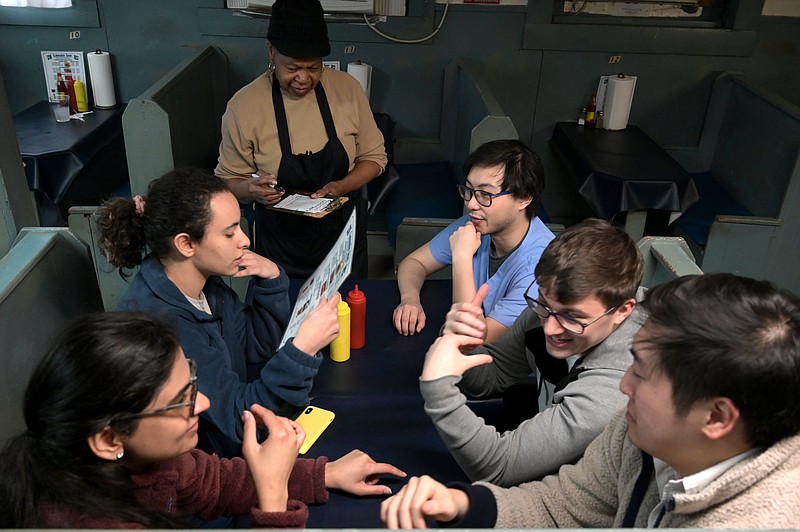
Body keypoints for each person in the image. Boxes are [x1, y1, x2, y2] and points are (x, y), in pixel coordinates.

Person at [380, 273, 800, 529]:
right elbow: (563, 506)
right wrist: (464, 504)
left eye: (642, 374)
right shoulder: (638, 433)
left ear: (716, 416)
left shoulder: (757, 520)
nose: (623, 386)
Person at [0, 312, 405, 528]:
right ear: (109, 439)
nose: (204, 403)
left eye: (192, 381)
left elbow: (211, 484)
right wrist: (273, 500)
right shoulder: (90, 522)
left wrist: (322, 474)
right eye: (180, 402)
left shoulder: (149, 459)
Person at [96, 167, 338, 458]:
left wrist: (271, 281)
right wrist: (303, 349)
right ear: (186, 244)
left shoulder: (205, 284)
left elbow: (253, 346)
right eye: (229, 233)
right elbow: (239, 421)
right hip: (210, 467)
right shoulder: (165, 327)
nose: (244, 240)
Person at [422, 218, 645, 486]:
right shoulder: (551, 312)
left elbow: (499, 468)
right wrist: (461, 340)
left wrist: (439, 393)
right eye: (542, 304)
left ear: (623, 310)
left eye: (572, 317)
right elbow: (490, 378)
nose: (550, 328)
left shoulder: (616, 389)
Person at [215, 0, 387, 279]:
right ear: (271, 51)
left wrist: (342, 185)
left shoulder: (347, 89)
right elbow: (226, 181)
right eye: (293, 68)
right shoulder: (244, 106)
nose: (304, 78)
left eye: (314, 68)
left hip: (343, 238)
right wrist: (251, 189)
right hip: (280, 249)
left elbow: (374, 158)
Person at [393, 139, 553, 342]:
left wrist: (461, 256)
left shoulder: (542, 268)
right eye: (469, 191)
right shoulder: (477, 223)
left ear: (524, 198)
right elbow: (413, 263)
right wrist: (410, 300)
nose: (471, 204)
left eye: (485, 195)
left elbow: (468, 339)